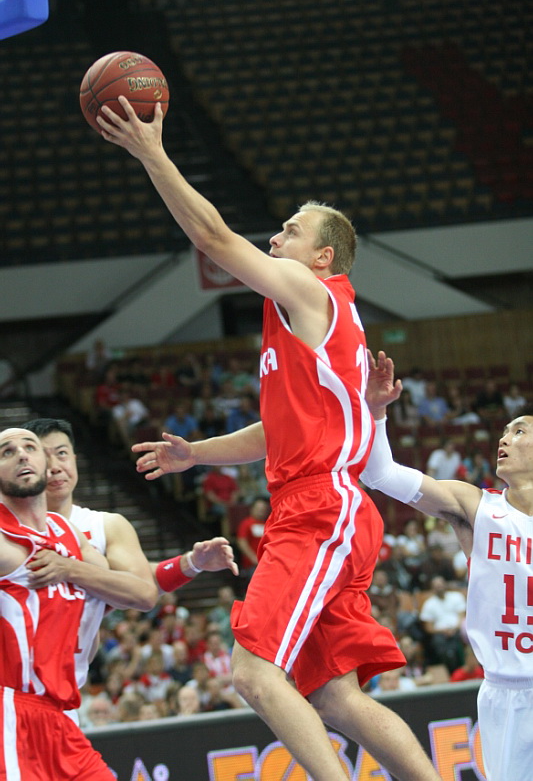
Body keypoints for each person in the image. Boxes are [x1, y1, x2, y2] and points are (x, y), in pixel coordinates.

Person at [99, 97, 441, 781]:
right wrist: (196, 454)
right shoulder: (314, 321)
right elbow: (275, 430)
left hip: (320, 508)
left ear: (322, 255)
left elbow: (213, 238)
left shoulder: (310, 290)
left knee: (253, 674)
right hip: (329, 506)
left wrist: (152, 154)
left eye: (290, 230)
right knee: (334, 697)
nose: (276, 237)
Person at [360, 348, 533, 780]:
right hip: (506, 692)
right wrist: (376, 413)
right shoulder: (476, 507)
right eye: (504, 432)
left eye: (519, 431)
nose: (504, 439)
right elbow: (380, 474)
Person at [23, 417, 238, 711]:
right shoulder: (11, 528)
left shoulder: (105, 525)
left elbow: (140, 587)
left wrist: (192, 562)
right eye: (44, 457)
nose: (55, 466)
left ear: (74, 458)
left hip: (64, 691)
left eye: (62, 453)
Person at [0, 427, 119, 779]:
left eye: (29, 447)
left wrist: (188, 565)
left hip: (60, 715)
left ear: (45, 460)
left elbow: (133, 592)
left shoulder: (65, 531)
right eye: (6, 451)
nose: (22, 454)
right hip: (11, 712)